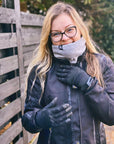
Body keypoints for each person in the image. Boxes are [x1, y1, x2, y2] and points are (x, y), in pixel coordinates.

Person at [22, 2, 114, 144]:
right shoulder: (41, 71)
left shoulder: (102, 64)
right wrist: (40, 118)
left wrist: (88, 84)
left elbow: (111, 115)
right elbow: (28, 120)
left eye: (70, 30)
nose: (64, 37)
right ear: (49, 38)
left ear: (80, 29)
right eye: (56, 34)